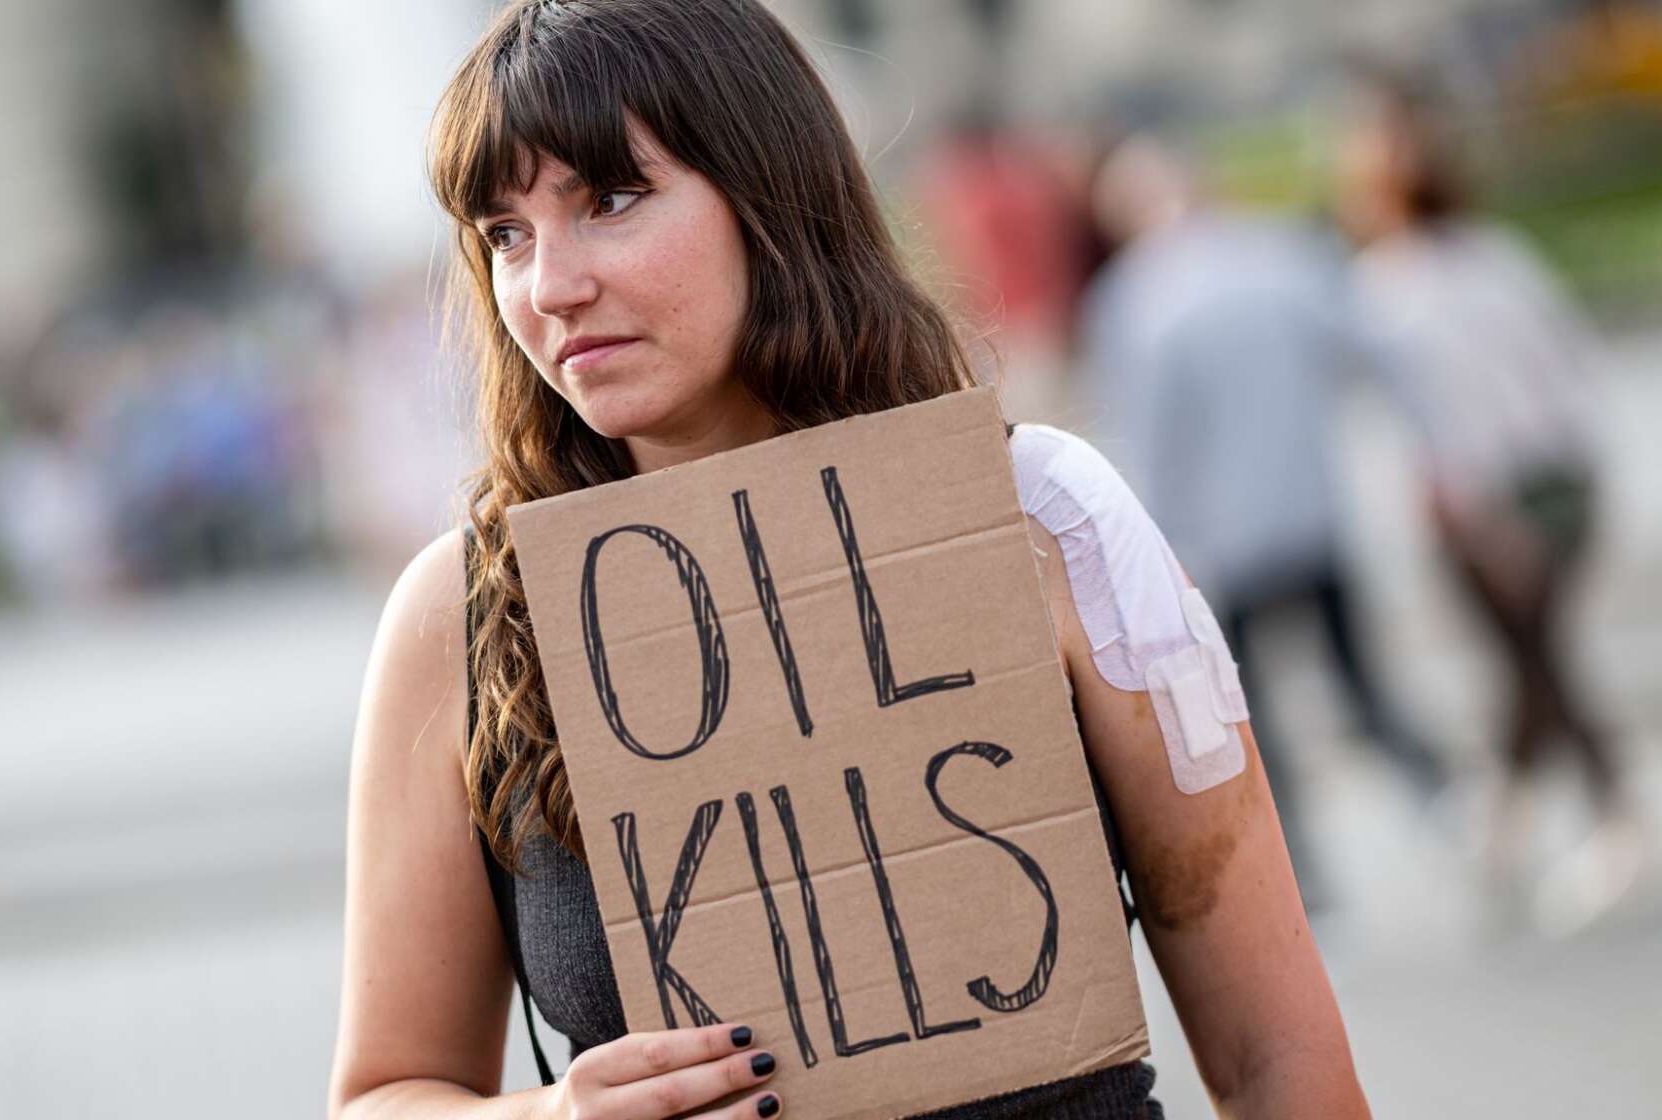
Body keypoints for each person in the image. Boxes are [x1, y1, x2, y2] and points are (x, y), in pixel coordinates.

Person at [331, 3, 1369, 1118]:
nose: (550, 286)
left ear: (767, 195)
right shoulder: (466, 615)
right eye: (506, 235)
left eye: (612, 199)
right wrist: (556, 1116)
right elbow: (386, 1092)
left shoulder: (1042, 517)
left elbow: (1280, 1058)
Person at [1084, 134, 1449, 905]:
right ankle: (1445, 801)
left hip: (1220, 546)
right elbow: (1372, 351)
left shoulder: (1133, 302)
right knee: (1361, 683)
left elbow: (1148, 447)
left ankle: (1298, 873)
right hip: (1311, 515)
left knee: (1251, 717)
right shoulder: (1279, 257)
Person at [1335, 77, 1645, 930]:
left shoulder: (1387, 289)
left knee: (1534, 657)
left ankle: (1606, 817)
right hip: (1563, 478)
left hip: (1487, 501)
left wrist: (1485, 522)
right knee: (1529, 654)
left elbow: (1445, 421)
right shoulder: (1497, 254)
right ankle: (1510, 820)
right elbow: (1571, 364)